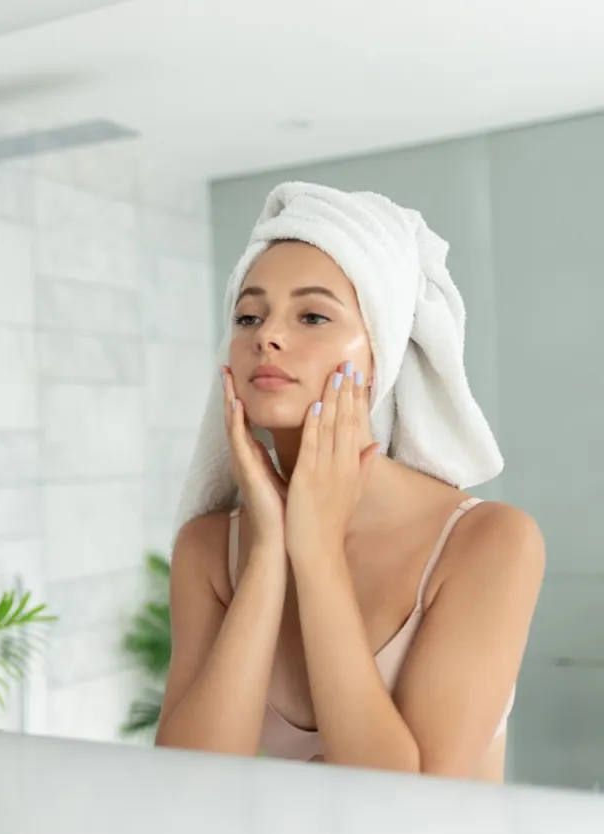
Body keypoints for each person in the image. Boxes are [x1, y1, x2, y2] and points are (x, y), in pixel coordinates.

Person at [156, 182, 544, 780]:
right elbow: (184, 784)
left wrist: (316, 554)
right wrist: (266, 557)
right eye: (248, 315)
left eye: (312, 315)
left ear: (380, 351)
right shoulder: (210, 550)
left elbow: (410, 802)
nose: (267, 336)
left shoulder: (487, 542)